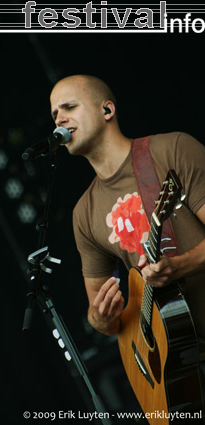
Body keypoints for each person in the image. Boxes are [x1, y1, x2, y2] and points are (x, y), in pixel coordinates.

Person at [50, 74, 205, 413]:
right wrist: (102, 318)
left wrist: (179, 265)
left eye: (69, 107)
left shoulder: (172, 149)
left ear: (107, 109)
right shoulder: (84, 214)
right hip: (179, 367)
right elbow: (101, 317)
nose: (59, 119)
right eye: (55, 114)